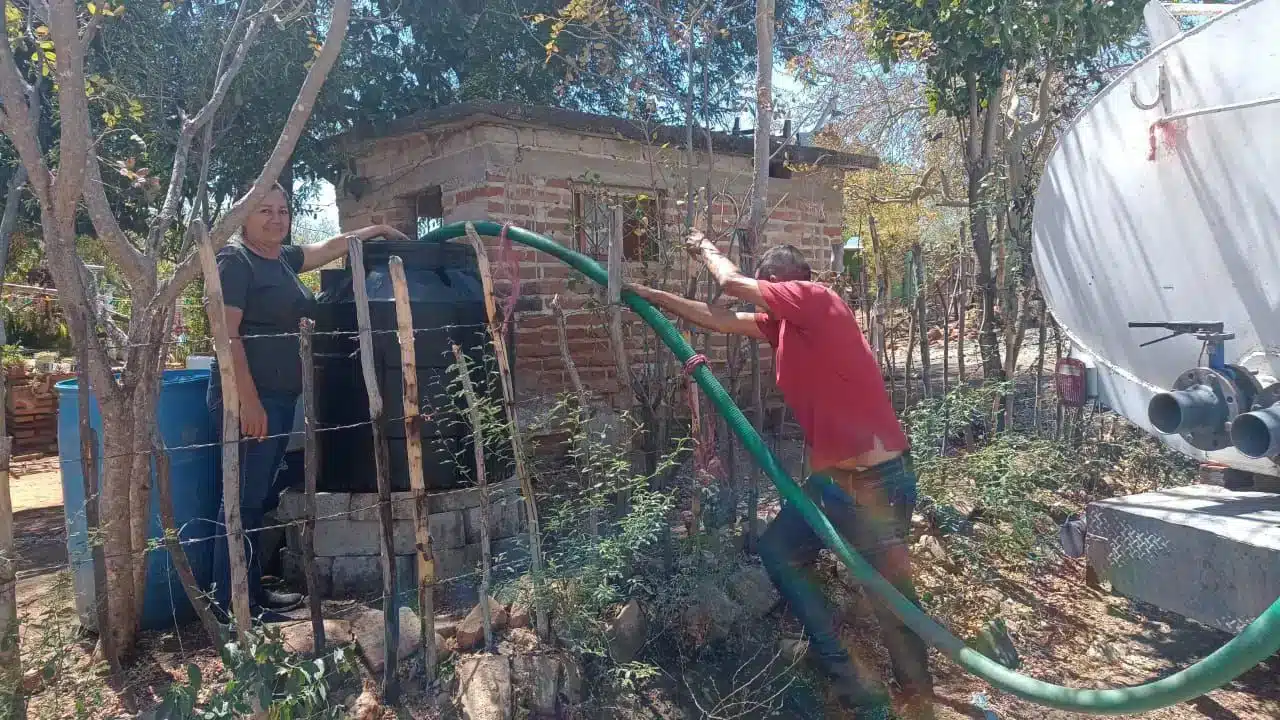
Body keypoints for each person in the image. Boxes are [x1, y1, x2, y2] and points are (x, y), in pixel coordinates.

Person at [627, 230, 933, 719]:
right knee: (780, 551)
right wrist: (653, 297)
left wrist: (704, 246)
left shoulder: (819, 300)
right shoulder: (786, 326)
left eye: (769, 285)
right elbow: (719, 319)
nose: (764, 293)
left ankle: (919, 698)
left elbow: (729, 286)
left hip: (879, 483)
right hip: (834, 486)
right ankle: (842, 671)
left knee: (890, 596)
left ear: (788, 283)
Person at [208, 183, 410, 620]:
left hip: (279, 398)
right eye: (265, 211)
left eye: (283, 210)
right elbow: (226, 336)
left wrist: (375, 229)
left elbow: (324, 248)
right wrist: (248, 402)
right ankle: (232, 607)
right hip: (250, 401)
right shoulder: (235, 261)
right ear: (243, 217)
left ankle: (252, 595)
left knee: (256, 498)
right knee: (239, 502)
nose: (277, 218)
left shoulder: (279, 258)